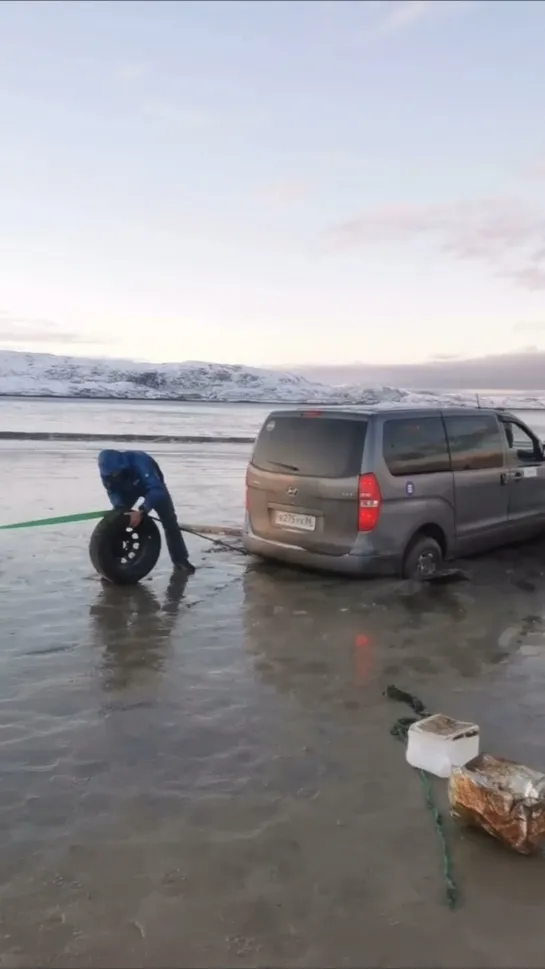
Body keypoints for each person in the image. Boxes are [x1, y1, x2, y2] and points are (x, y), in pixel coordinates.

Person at [98, 449, 195, 574]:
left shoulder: (141, 462)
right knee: (118, 519)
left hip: (152, 488)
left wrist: (142, 510)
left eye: (116, 474)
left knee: (169, 521)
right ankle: (111, 562)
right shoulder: (106, 472)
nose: (113, 476)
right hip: (127, 490)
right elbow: (112, 491)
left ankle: (180, 560)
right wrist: (120, 506)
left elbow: (157, 490)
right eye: (111, 475)